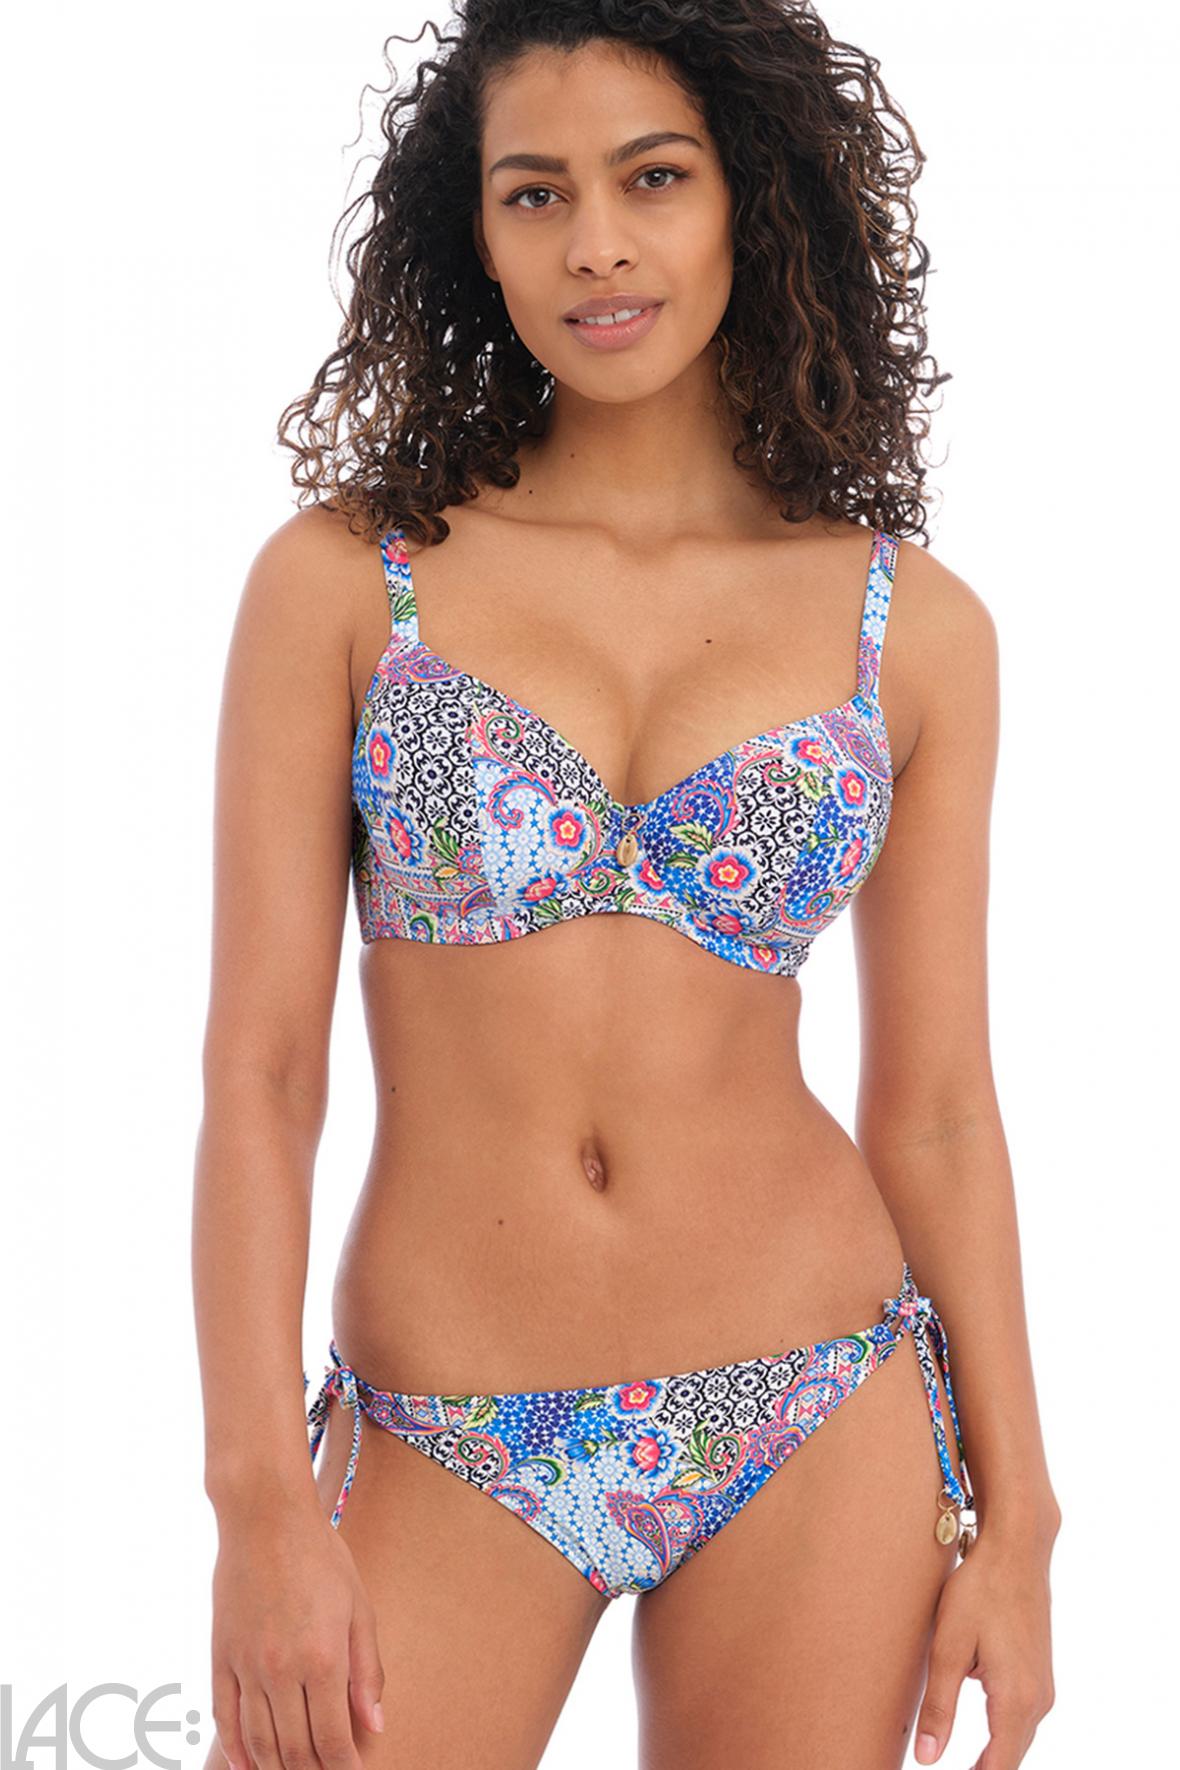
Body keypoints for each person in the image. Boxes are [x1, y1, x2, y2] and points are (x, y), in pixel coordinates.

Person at [192, 4, 1061, 1768]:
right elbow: (263, 1075)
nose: (595, 243)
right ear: (475, 232)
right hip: (446, 1423)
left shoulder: (915, 630)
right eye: (537, 193)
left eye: (652, 178)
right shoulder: (349, 582)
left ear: (755, 197)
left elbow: (942, 1108)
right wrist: (259, 1497)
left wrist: (1024, 1519)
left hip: (817, 1398)